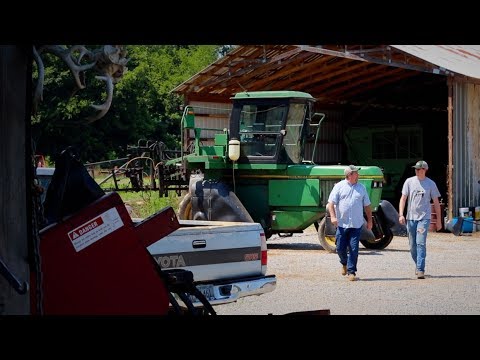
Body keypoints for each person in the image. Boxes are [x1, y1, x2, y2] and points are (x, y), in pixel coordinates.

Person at [327, 165, 373, 281]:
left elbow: (367, 206)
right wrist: (333, 217)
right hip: (342, 224)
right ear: (350, 175)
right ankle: (344, 263)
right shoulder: (339, 186)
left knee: (354, 248)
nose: (358, 175)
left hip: (356, 224)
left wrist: (370, 221)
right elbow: (331, 204)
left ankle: (351, 272)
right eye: (356, 173)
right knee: (340, 248)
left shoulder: (361, 188)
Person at [398, 160, 442, 279]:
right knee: (412, 245)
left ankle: (420, 269)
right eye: (416, 169)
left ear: (425, 170)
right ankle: (418, 264)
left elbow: (436, 203)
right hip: (411, 217)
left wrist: (438, 220)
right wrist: (401, 214)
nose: (416, 171)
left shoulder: (431, 184)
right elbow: (403, 199)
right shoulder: (409, 182)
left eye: (419, 169)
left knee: (420, 243)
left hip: (424, 217)